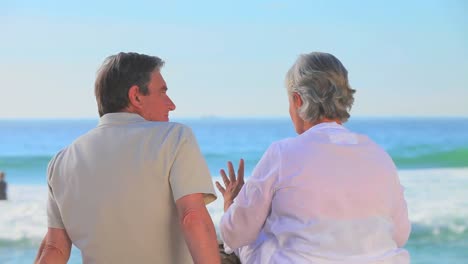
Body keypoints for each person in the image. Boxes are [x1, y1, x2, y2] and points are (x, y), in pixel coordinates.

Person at [216, 52, 411, 263]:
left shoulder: (283, 154)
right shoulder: (379, 156)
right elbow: (400, 235)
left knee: (250, 238)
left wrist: (232, 204)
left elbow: (235, 234)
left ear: (298, 100)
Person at [35, 52, 220, 264]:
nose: (171, 104)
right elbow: (192, 218)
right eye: (162, 92)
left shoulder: (61, 161)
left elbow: (55, 248)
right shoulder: (174, 138)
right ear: (136, 96)